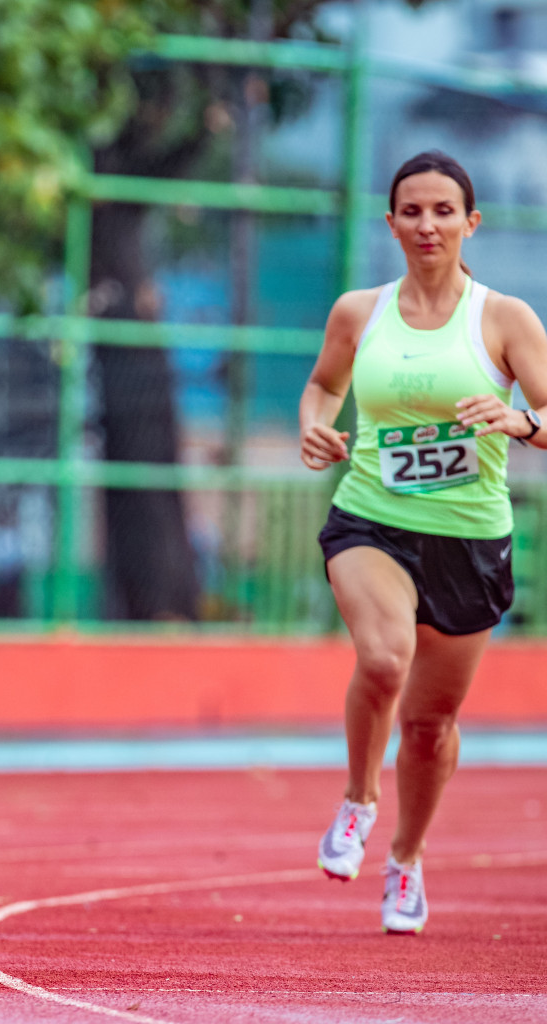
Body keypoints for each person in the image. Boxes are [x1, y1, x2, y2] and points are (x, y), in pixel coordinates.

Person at [300, 150, 547, 934]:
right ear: (392, 224)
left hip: (470, 539)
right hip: (371, 516)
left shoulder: (505, 318)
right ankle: (358, 800)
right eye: (412, 210)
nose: (428, 224)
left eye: (444, 210)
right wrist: (314, 426)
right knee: (383, 658)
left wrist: (519, 420)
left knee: (431, 725)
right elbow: (325, 386)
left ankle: (405, 859)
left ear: (471, 223)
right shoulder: (357, 311)